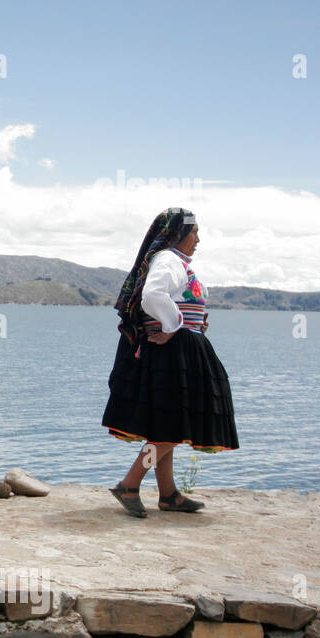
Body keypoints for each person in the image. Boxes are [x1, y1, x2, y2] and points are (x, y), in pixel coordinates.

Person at [103, 208, 238, 517]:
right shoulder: (169, 260)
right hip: (174, 353)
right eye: (194, 233)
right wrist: (173, 325)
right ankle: (130, 483)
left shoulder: (173, 261)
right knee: (172, 429)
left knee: (167, 425)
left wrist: (183, 323)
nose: (198, 239)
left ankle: (169, 495)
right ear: (178, 235)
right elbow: (152, 295)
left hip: (178, 349)